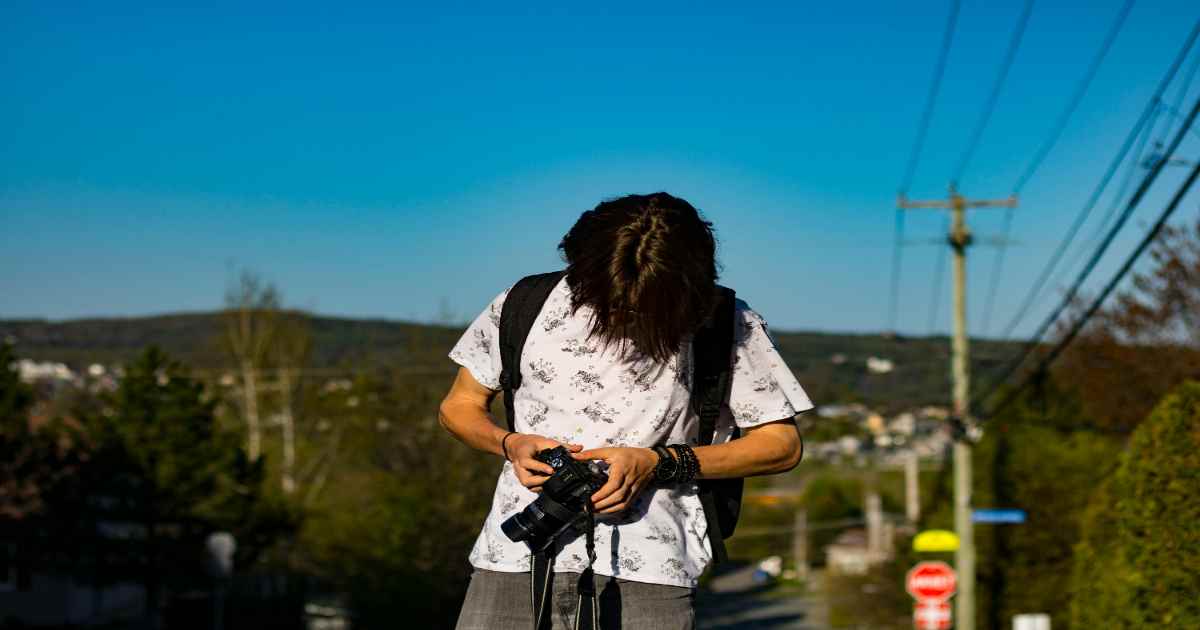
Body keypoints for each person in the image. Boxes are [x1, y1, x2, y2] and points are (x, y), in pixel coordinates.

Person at [439, 192, 813, 629]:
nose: (624, 311)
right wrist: (510, 443)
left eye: (644, 302)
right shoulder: (522, 303)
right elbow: (458, 407)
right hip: (516, 554)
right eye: (610, 298)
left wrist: (657, 463)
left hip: (650, 569)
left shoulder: (725, 321)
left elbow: (781, 445)